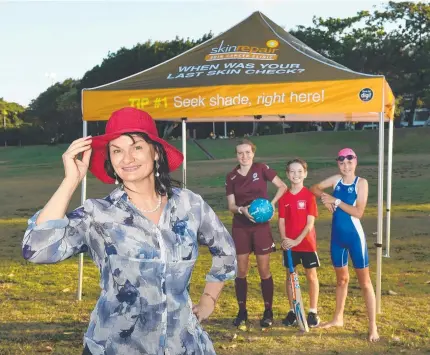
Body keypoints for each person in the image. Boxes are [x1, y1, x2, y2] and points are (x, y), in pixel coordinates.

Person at [22, 107, 237, 355]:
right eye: (117, 150)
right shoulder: (98, 214)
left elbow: (226, 251)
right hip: (115, 347)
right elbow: (36, 249)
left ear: (155, 152)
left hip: (183, 345)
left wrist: (209, 299)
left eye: (136, 147)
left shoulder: (190, 205)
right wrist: (70, 181)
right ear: (110, 160)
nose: (127, 158)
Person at [310, 148, 379, 342]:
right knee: (341, 280)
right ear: (338, 164)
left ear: (355, 162)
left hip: (355, 238)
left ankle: (373, 325)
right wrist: (325, 200)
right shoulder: (336, 180)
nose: (346, 166)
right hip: (337, 239)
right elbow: (314, 188)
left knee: (365, 282)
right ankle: (338, 318)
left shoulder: (361, 183)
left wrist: (336, 201)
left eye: (349, 162)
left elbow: (358, 212)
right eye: (342, 163)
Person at [225, 139, 287, 329]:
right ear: (236, 155)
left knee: (264, 270)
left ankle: (268, 311)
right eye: (240, 153)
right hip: (241, 227)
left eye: (247, 152)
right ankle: (242, 311)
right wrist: (242, 210)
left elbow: (282, 186)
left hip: (261, 227)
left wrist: (271, 205)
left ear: (253, 153)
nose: (244, 156)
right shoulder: (232, 176)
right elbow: (231, 206)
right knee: (241, 271)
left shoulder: (261, 169)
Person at [278, 158, 320, 328]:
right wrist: (285, 240)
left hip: (307, 244)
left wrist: (297, 240)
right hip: (289, 245)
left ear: (305, 174)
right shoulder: (284, 197)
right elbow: (281, 221)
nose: (296, 175)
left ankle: (312, 311)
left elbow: (310, 223)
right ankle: (293, 310)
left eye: (299, 172)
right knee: (290, 276)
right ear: (288, 174)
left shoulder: (309, 196)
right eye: (292, 172)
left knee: (311, 275)